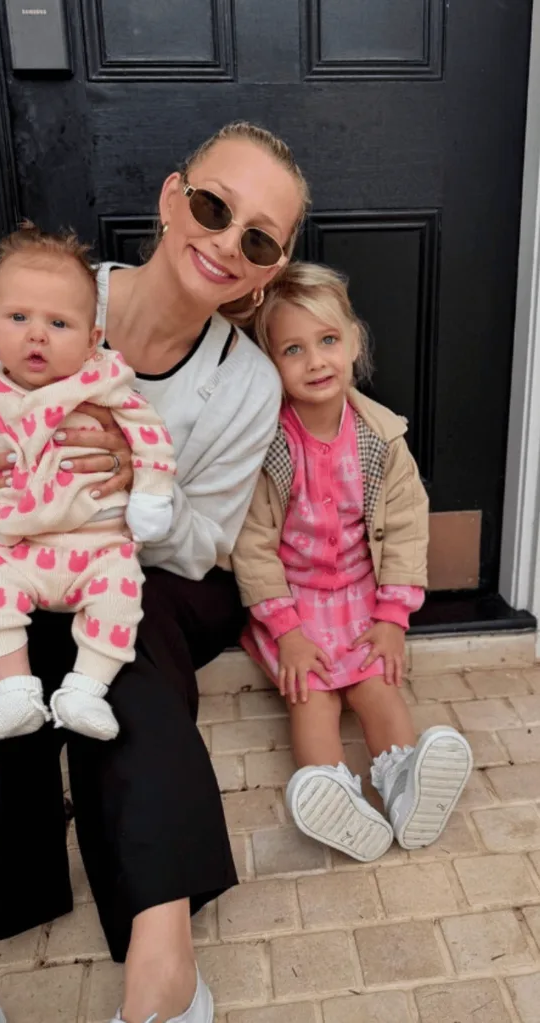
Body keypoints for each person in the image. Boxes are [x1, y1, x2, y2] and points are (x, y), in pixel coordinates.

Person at [0, 122, 309, 1023]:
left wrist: (139, 484)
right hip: (33, 550)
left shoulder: (246, 382)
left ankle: (160, 962)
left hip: (173, 572)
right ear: (174, 197)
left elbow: (207, 538)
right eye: (214, 207)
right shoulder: (35, 297)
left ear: (268, 270)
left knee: (126, 639)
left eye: (257, 238)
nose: (224, 242)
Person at [232, 262, 473, 864]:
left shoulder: (381, 440)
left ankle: (403, 784)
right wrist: (284, 632)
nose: (316, 361)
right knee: (310, 698)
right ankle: (331, 792)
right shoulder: (271, 447)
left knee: (378, 687)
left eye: (328, 341)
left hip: (363, 596)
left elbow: (408, 528)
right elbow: (252, 542)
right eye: (294, 349)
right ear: (271, 364)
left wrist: (392, 616)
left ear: (354, 342)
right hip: (296, 603)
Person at [0, 224, 175, 743]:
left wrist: (150, 491)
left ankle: (86, 689)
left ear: (91, 338)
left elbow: (150, 436)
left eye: (58, 322)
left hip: (99, 543)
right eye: (19, 318)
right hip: (19, 544)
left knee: (122, 598)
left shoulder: (104, 382)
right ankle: (14, 690)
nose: (36, 334)